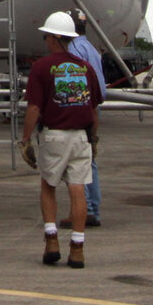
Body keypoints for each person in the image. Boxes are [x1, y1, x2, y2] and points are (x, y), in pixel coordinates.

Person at [21, 11, 102, 268]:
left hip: (54, 135)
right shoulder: (85, 68)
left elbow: (34, 108)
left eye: (46, 36)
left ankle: (51, 240)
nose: (45, 41)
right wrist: (94, 139)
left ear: (55, 38)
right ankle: (77, 248)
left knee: (48, 185)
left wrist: (25, 140)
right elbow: (93, 108)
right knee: (77, 188)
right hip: (81, 136)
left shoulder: (41, 67)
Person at [64, 16, 106, 226]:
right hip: (94, 107)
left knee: (76, 162)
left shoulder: (73, 50)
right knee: (89, 159)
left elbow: (73, 83)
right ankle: (94, 209)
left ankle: (85, 208)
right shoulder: (90, 48)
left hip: (81, 105)